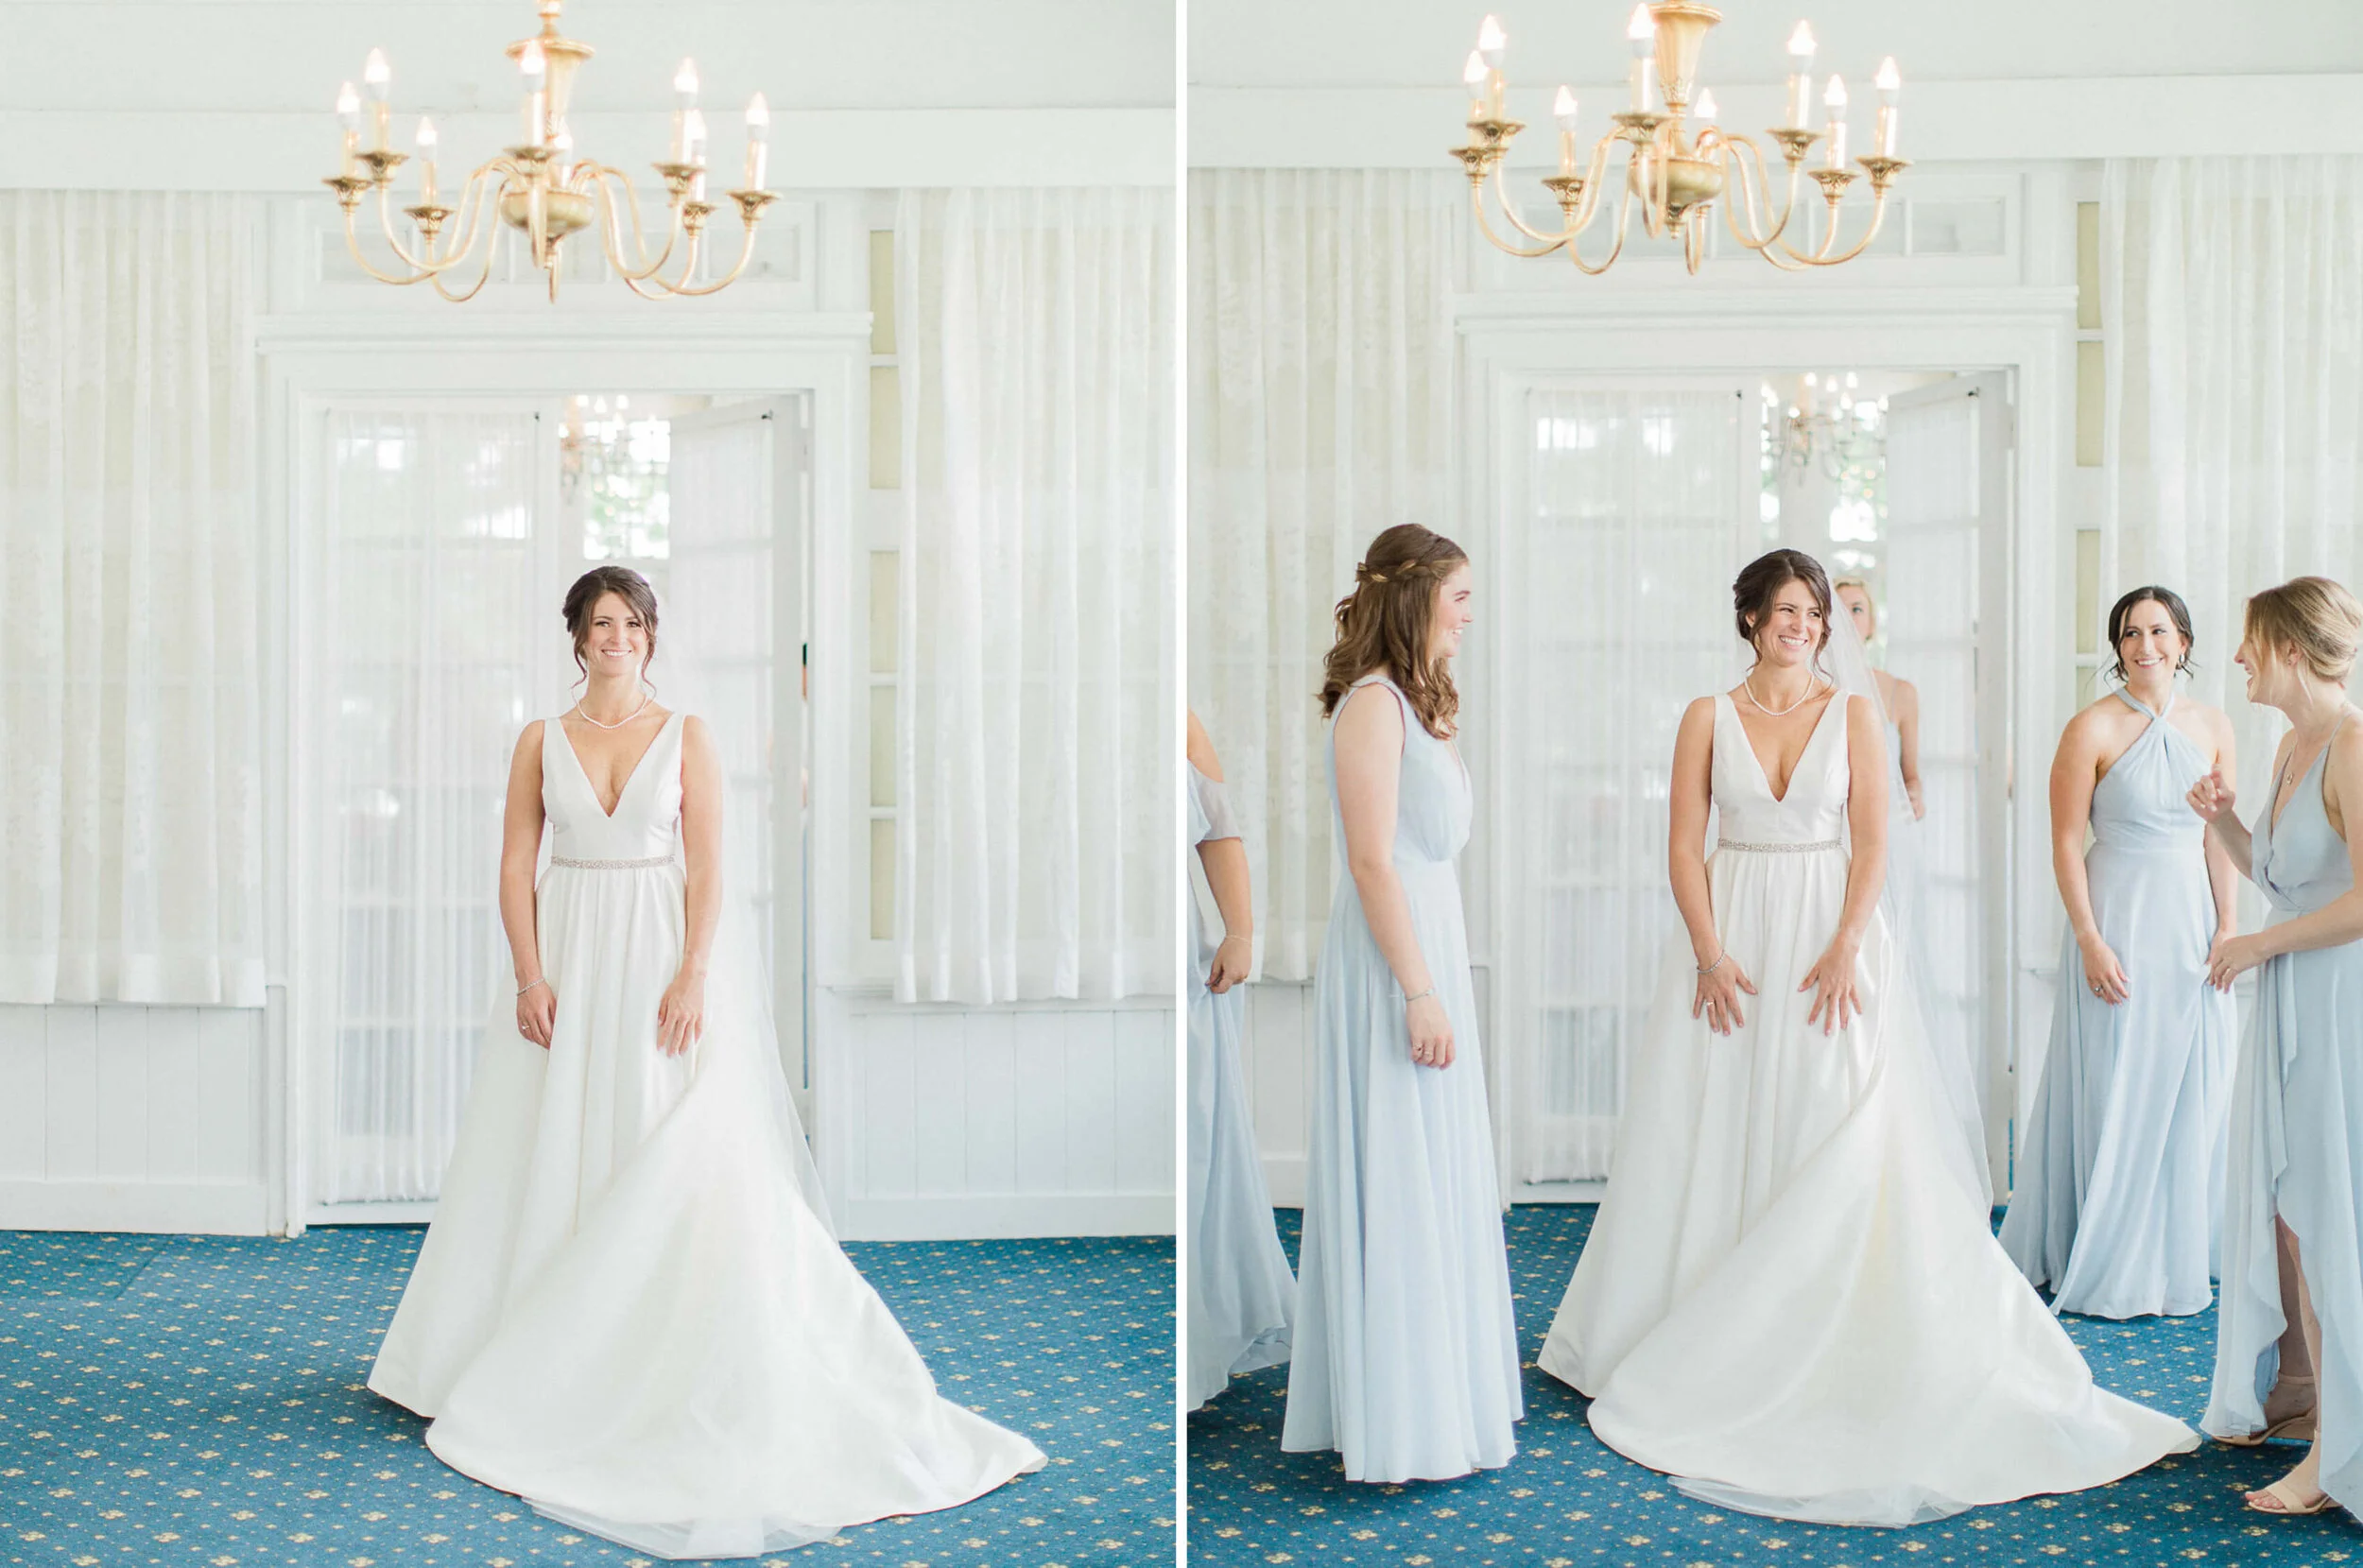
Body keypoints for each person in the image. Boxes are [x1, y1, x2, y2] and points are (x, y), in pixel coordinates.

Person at [369, 566, 1044, 1559]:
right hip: (569, 954)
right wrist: (527, 973)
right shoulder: (537, 741)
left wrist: (692, 974)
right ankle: (530, 1339)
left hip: (652, 954)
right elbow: (516, 865)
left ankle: (656, 1340)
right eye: (601, 624)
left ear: (650, 637)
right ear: (576, 637)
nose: (616, 639)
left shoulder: (687, 737)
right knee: (548, 1139)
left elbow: (714, 866)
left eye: (632, 624)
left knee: (663, 1135)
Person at [1538, 548, 2196, 1526]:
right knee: (1712, 1120)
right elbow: (1682, 845)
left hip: (1828, 937)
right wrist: (1709, 954)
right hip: (1732, 939)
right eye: (1781, 610)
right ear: (1750, 620)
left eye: (1811, 611)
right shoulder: (1703, 717)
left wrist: (1848, 943)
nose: (1799, 625)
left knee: (1834, 1120)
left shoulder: (1851, 715)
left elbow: (1876, 841)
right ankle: (1697, 1315)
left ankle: (1825, 1323)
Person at [1280, 524, 1522, 1482]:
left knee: (1435, 1166)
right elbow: (1372, 859)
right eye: (1460, 596)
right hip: (1393, 957)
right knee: (1399, 1160)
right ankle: (1399, 1410)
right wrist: (1419, 991)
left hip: (1432, 934)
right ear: (1417, 597)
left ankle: (1438, 1387)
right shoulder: (1372, 706)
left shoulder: (1422, 706)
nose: (1470, 615)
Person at [2000, 586, 2238, 1318]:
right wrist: (2089, 938)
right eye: (2130, 634)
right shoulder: (2090, 727)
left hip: (2190, 924)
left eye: (2159, 631)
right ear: (2118, 648)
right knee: (2117, 1077)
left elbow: (2219, 836)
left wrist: (2229, 925)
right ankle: (2107, 1243)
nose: (2145, 646)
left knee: (2188, 1079)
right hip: (2119, 920)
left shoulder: (2214, 724)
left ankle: (2178, 1245)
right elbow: (2066, 843)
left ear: (2184, 642)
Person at [2189, 576, 2363, 1517]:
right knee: (2294, 1219)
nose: (2240, 657)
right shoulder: (2292, 745)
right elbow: (2285, 877)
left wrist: (2257, 945)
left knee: (2332, 1222)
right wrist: (2219, 818)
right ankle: (2321, 1420)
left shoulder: (2351, 748)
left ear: (2292, 649)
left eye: (2251, 641)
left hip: (2339, 1009)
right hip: (2293, 998)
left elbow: (2361, 902)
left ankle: (2339, 1458)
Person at [1185, 710, 1295, 1408]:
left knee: (1200, 1130)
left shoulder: (1182, 719)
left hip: (1184, 946)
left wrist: (1241, 930)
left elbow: (1219, 829)